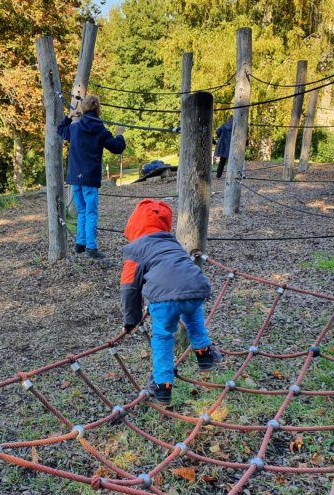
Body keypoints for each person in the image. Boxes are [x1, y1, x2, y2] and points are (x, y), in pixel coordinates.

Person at [120, 199, 221, 405]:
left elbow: (129, 287)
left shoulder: (135, 248)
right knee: (193, 319)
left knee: (163, 337)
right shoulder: (171, 241)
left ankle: (163, 385)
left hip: (163, 299)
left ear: (134, 224)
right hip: (195, 288)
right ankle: (204, 355)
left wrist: (132, 320)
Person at [57, 95, 126, 259]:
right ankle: (91, 247)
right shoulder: (101, 131)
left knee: (82, 211)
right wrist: (119, 134)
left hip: (75, 178)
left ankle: (80, 243)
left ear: (83, 110)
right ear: (98, 110)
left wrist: (69, 116)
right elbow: (117, 147)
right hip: (90, 178)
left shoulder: (74, 129)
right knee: (91, 212)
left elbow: (60, 130)